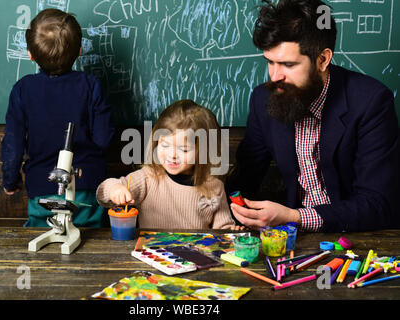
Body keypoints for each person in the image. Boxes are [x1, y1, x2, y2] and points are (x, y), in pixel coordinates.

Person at [226, 0, 399, 232]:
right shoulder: (263, 99)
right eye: (270, 62)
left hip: (359, 235)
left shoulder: (372, 101)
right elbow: (246, 176)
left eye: (288, 64)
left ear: (323, 59)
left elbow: (378, 203)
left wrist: (295, 216)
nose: (275, 75)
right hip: (291, 237)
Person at [1, 9, 114, 228]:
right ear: (79, 51)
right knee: (89, 244)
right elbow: (103, 139)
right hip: (87, 190)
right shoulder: (91, 86)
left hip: (41, 190)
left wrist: (10, 180)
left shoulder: (23, 89)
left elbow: (12, 144)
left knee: (43, 246)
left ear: (31, 54)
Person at [97, 100, 242, 230]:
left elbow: (222, 229)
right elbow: (104, 192)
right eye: (165, 145)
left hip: (196, 256)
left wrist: (231, 231)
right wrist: (115, 189)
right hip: (152, 255)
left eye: (184, 149)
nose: (172, 155)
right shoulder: (148, 177)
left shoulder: (214, 186)